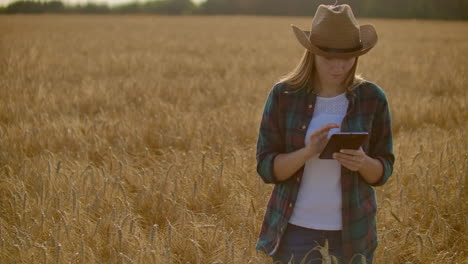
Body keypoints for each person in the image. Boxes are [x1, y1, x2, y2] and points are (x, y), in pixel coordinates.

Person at [255, 4, 395, 264]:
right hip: (295, 230)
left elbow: (384, 170)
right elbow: (265, 168)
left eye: (348, 56)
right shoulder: (284, 96)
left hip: (353, 233)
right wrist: (308, 152)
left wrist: (363, 162)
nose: (339, 66)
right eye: (329, 57)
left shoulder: (373, 98)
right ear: (312, 53)